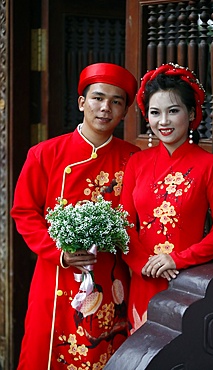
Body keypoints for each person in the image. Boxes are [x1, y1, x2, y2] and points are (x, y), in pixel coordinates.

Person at [11, 62, 140, 369]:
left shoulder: (134, 159)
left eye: (116, 102)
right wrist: (59, 252)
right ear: (82, 102)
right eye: (97, 98)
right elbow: (25, 212)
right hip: (54, 274)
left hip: (109, 278)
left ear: (124, 112)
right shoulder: (44, 154)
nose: (105, 108)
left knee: (103, 355)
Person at [120, 63, 213, 334]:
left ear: (192, 113)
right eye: (155, 113)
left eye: (173, 111)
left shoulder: (209, 165)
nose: (163, 121)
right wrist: (144, 266)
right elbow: (123, 225)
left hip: (187, 280)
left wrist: (178, 259)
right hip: (143, 278)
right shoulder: (137, 163)